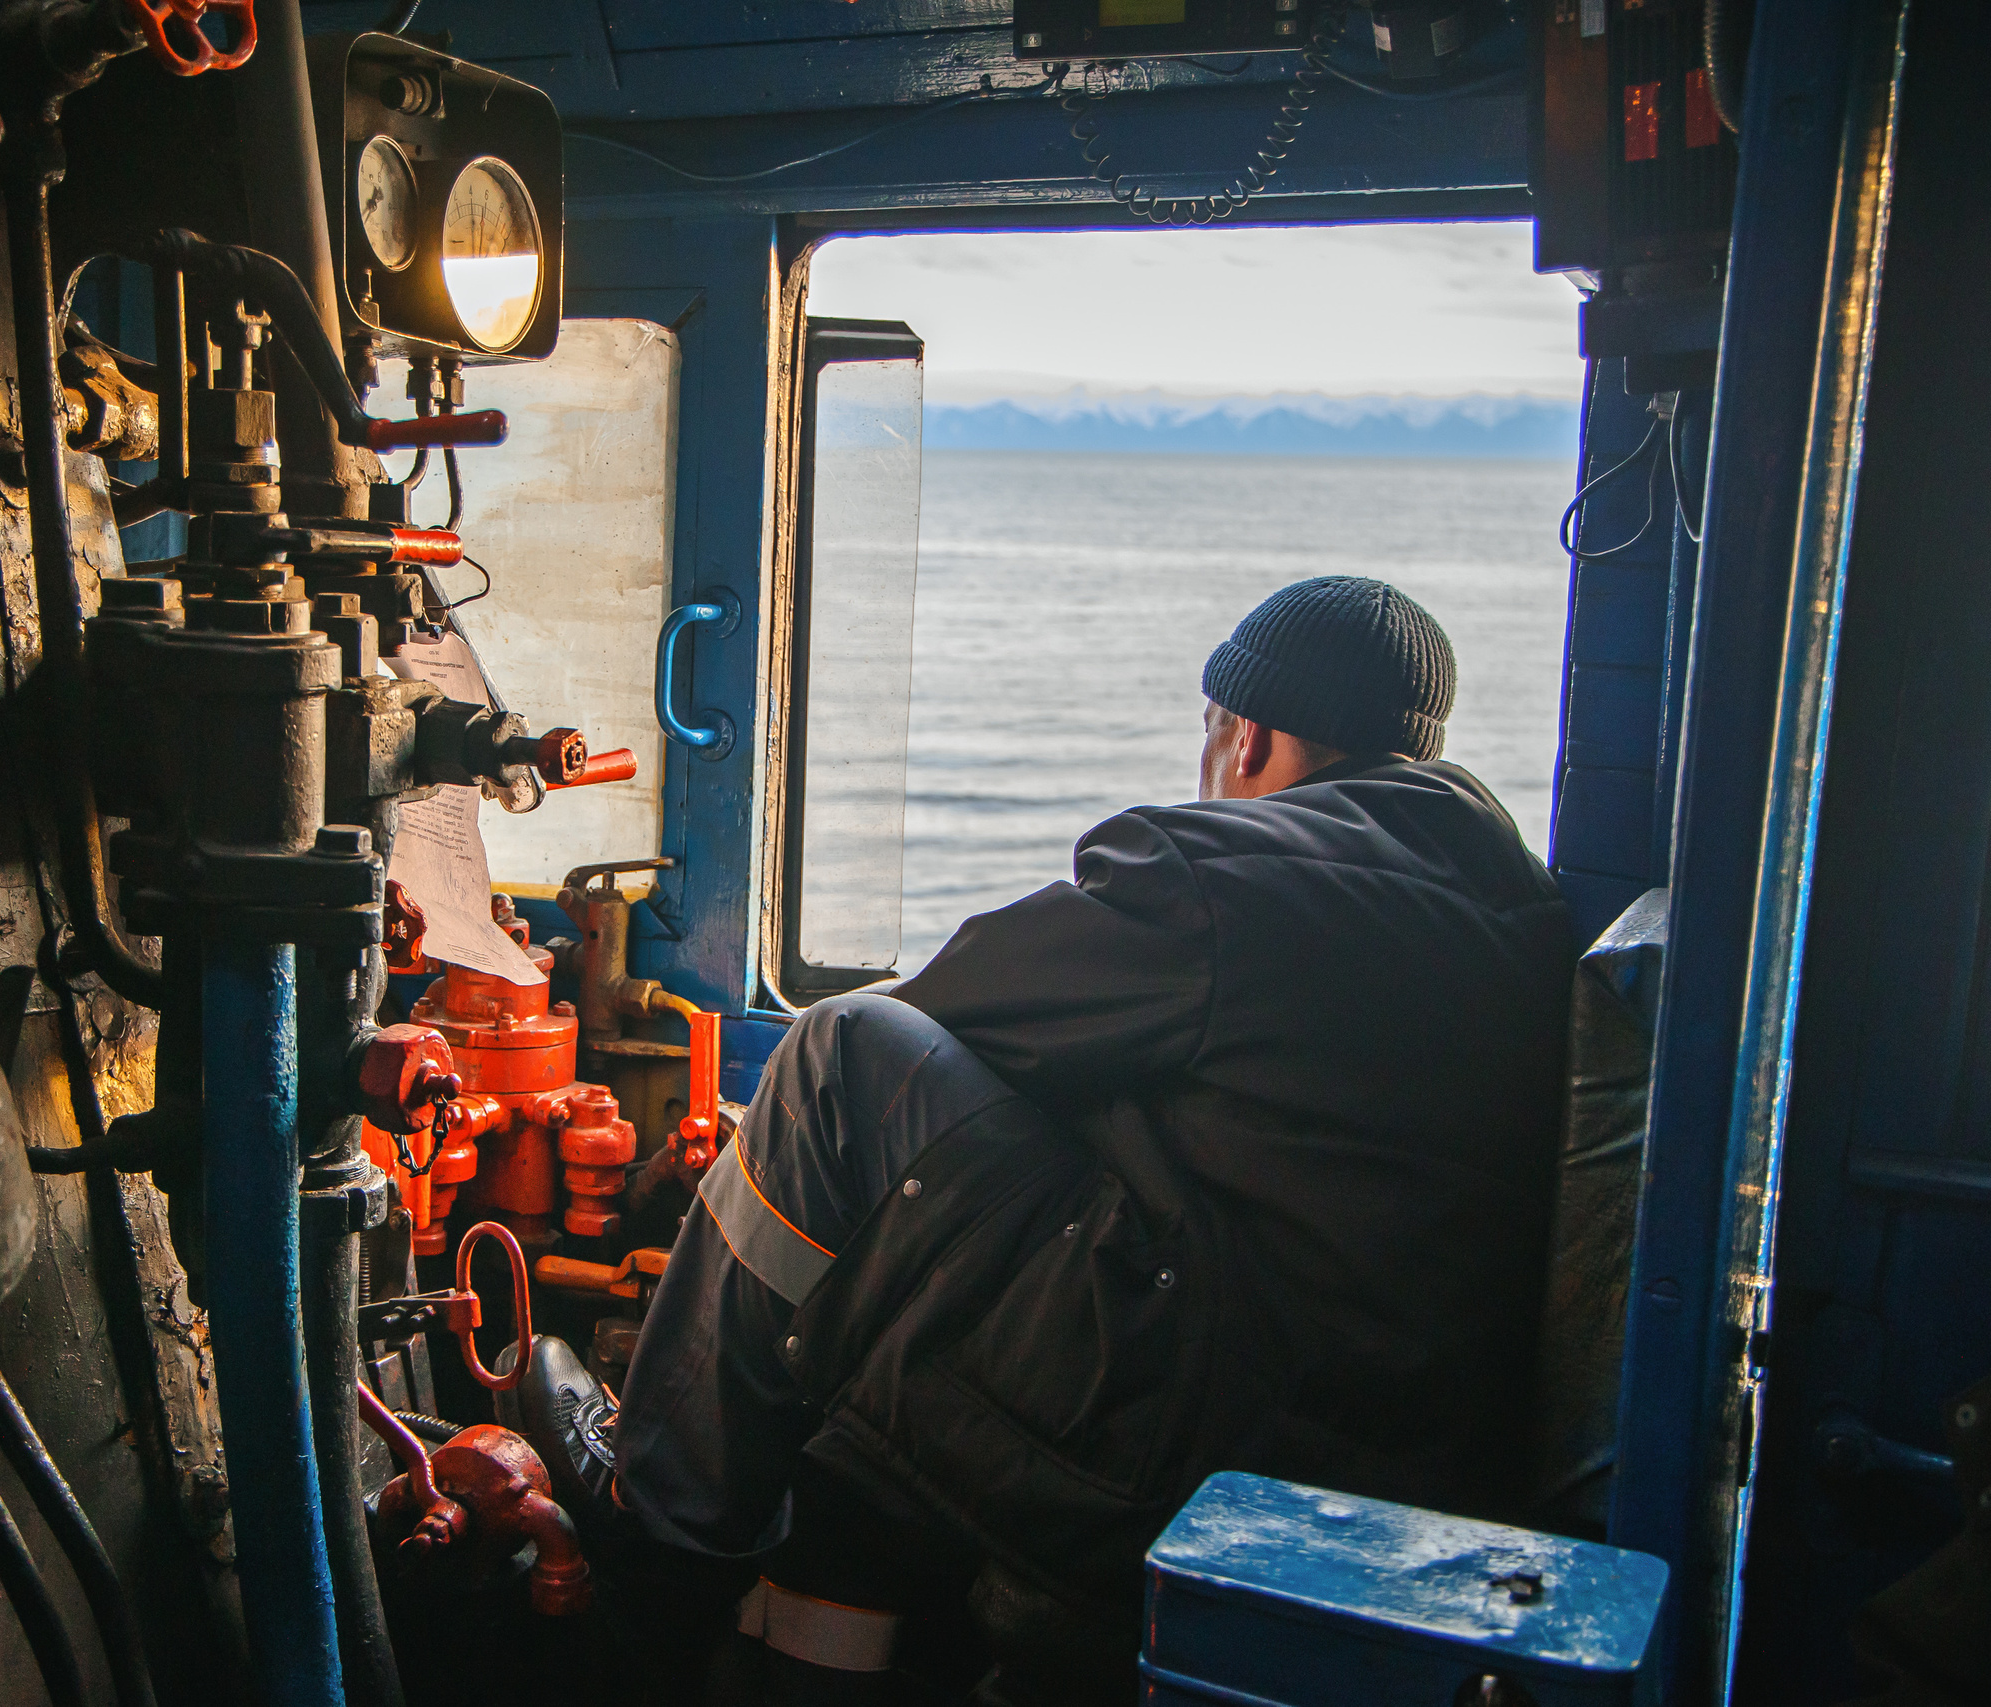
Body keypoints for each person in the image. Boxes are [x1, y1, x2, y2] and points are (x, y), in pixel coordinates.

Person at [508, 577, 1577, 1703]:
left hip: (1198, 1455)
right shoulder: (1510, 899)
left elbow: (943, 1015)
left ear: (1247, 735)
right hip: (1408, 1474)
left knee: (836, 1053)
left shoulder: (1226, 877)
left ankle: (658, 1517)